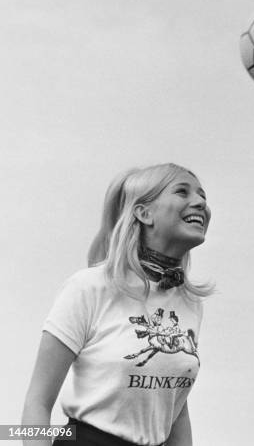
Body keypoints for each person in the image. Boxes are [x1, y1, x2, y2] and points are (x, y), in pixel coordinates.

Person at [22, 163, 213, 446]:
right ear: (143, 213)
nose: (200, 203)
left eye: (202, 196)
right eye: (182, 192)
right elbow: (37, 402)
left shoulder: (188, 301)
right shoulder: (88, 288)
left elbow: (174, 407)